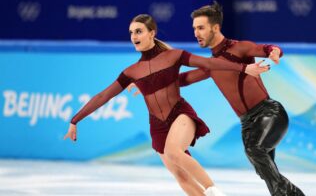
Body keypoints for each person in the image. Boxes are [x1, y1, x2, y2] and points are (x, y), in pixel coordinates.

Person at [63, 14, 269, 196]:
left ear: (151, 33)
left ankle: (215, 191)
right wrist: (75, 120)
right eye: (131, 32)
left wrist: (243, 68)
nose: (134, 36)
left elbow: (210, 63)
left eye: (139, 31)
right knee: (181, 177)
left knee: (174, 152)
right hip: (157, 125)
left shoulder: (174, 56)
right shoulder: (131, 72)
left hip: (180, 114)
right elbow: (103, 96)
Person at [179, 1, 305, 196]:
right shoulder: (210, 65)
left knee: (255, 150)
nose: (196, 33)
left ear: (215, 27)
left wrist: (274, 52)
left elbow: (267, 48)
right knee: (265, 170)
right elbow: (183, 80)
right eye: (195, 28)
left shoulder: (239, 48)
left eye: (201, 28)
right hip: (247, 123)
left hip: (269, 114)